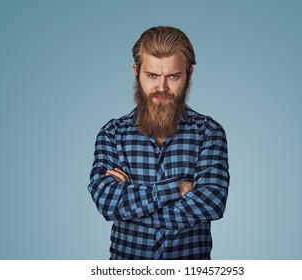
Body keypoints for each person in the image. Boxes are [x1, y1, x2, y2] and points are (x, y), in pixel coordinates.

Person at [88, 26, 230, 260]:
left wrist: (130, 210)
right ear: (136, 71)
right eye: (152, 75)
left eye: (173, 76)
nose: (161, 88)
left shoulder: (209, 132)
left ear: (189, 74)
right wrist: (177, 189)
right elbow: (107, 201)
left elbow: (211, 202)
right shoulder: (112, 133)